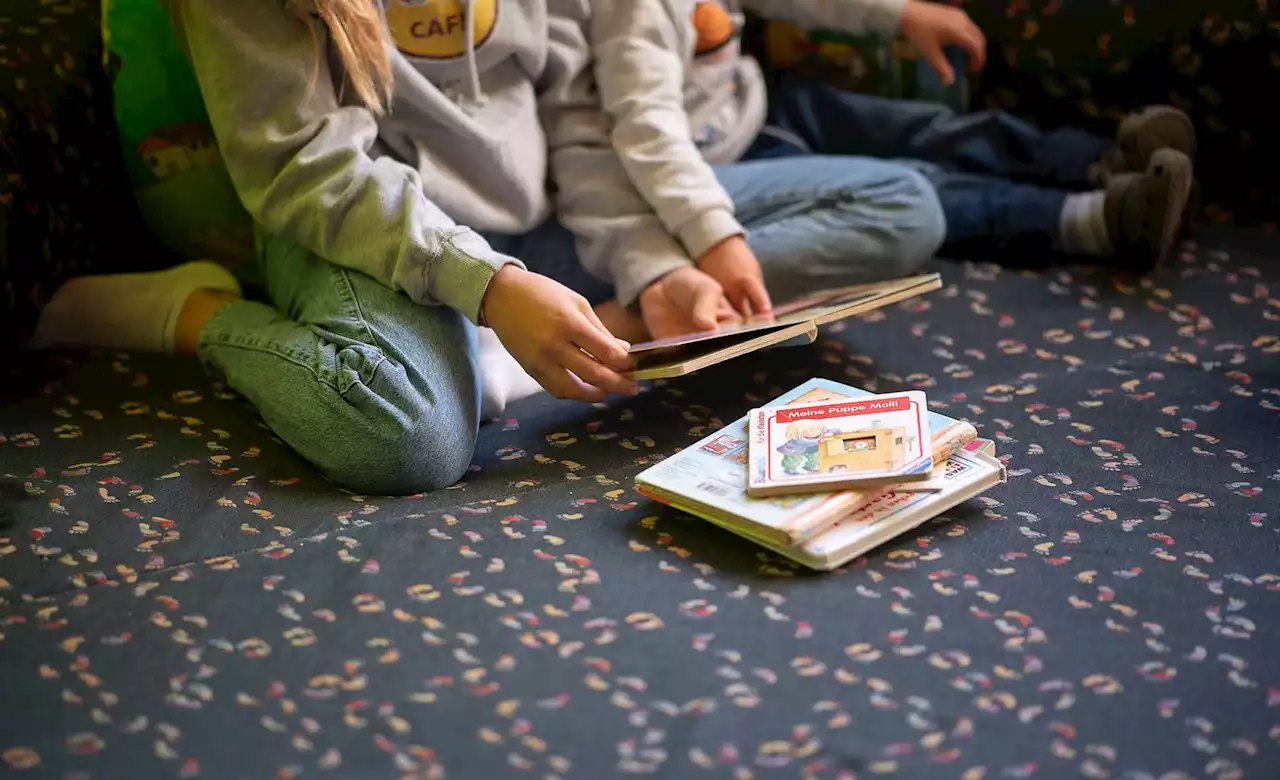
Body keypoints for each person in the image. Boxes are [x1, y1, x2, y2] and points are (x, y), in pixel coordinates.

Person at [26, 0, 772, 495]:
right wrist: (492, 287)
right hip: (353, 227)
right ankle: (197, 312)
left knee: (883, 217)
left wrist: (655, 263)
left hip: (533, 217)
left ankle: (520, 347)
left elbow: (578, 117)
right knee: (407, 437)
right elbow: (303, 169)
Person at [589, 0, 1196, 319]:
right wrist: (712, 235)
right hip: (704, 166)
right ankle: (1093, 218)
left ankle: (1103, 160)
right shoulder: (631, 11)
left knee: (919, 127)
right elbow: (645, 127)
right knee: (917, 185)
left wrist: (898, 13)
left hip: (755, 105)